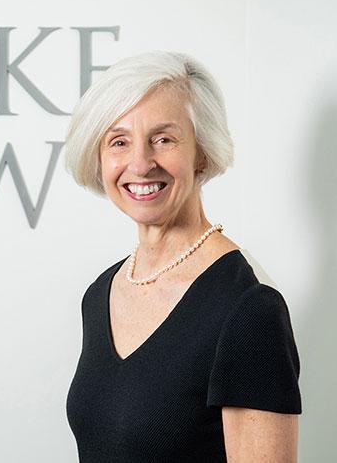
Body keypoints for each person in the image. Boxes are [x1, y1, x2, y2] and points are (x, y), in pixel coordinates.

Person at [63, 51, 302, 462]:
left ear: (202, 152)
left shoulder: (248, 308)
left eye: (163, 139)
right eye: (119, 141)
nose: (140, 163)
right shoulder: (101, 293)